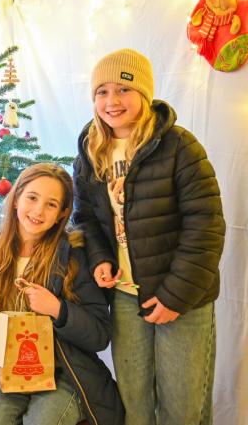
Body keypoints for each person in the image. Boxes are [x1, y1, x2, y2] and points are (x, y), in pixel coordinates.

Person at [72, 48, 225, 425]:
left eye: (123, 89)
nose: (112, 101)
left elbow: (205, 226)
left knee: (182, 408)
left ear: (143, 92)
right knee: (134, 403)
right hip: (125, 296)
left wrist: (175, 295)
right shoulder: (91, 150)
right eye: (102, 92)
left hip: (182, 297)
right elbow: (86, 218)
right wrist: (100, 258)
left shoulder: (179, 146)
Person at [0, 163, 124, 425]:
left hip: (64, 374)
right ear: (16, 199)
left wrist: (58, 309)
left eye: (51, 204)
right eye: (32, 198)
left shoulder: (75, 257)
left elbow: (99, 334)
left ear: (62, 213)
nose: (38, 211)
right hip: (4, 369)